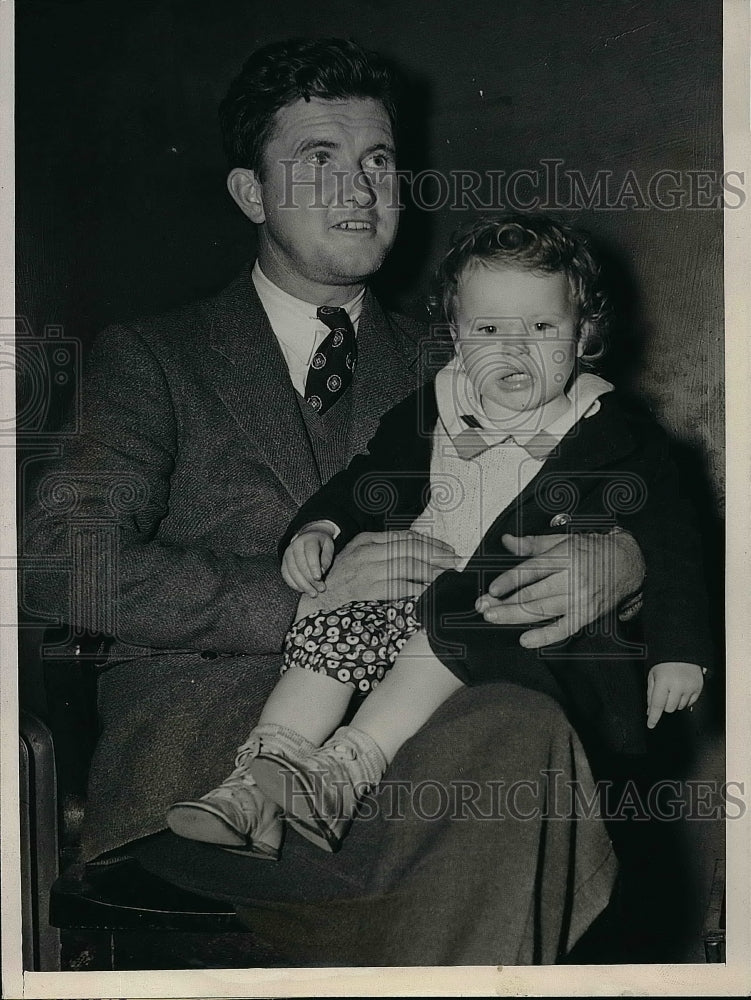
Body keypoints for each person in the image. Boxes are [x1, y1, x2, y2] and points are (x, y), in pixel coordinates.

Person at [24, 38, 654, 963]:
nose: (357, 190)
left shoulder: (472, 359)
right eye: (318, 161)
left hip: (426, 750)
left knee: (517, 738)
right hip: (204, 783)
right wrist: (304, 596)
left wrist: (622, 566)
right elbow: (56, 559)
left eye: (377, 162)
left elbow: (606, 502)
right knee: (500, 811)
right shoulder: (152, 358)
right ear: (251, 194)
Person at [166, 215, 710, 855]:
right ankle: (256, 781)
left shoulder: (613, 429)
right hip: (410, 594)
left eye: (541, 327)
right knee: (335, 610)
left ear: (583, 334)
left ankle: (348, 769)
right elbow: (370, 479)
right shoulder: (437, 405)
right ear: (455, 334)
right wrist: (320, 526)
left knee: (457, 615)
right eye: (488, 330)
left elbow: (672, 539)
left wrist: (679, 648)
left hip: (515, 626)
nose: (514, 348)